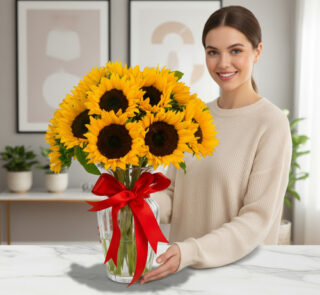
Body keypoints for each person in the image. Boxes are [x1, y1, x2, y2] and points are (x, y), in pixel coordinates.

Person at [140, 5, 292, 284]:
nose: (223, 63)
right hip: (182, 274)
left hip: (240, 277)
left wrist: (192, 251)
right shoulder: (193, 117)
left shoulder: (271, 124)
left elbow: (257, 219)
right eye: (213, 52)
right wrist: (141, 207)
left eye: (236, 50)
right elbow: (171, 192)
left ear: (257, 51)